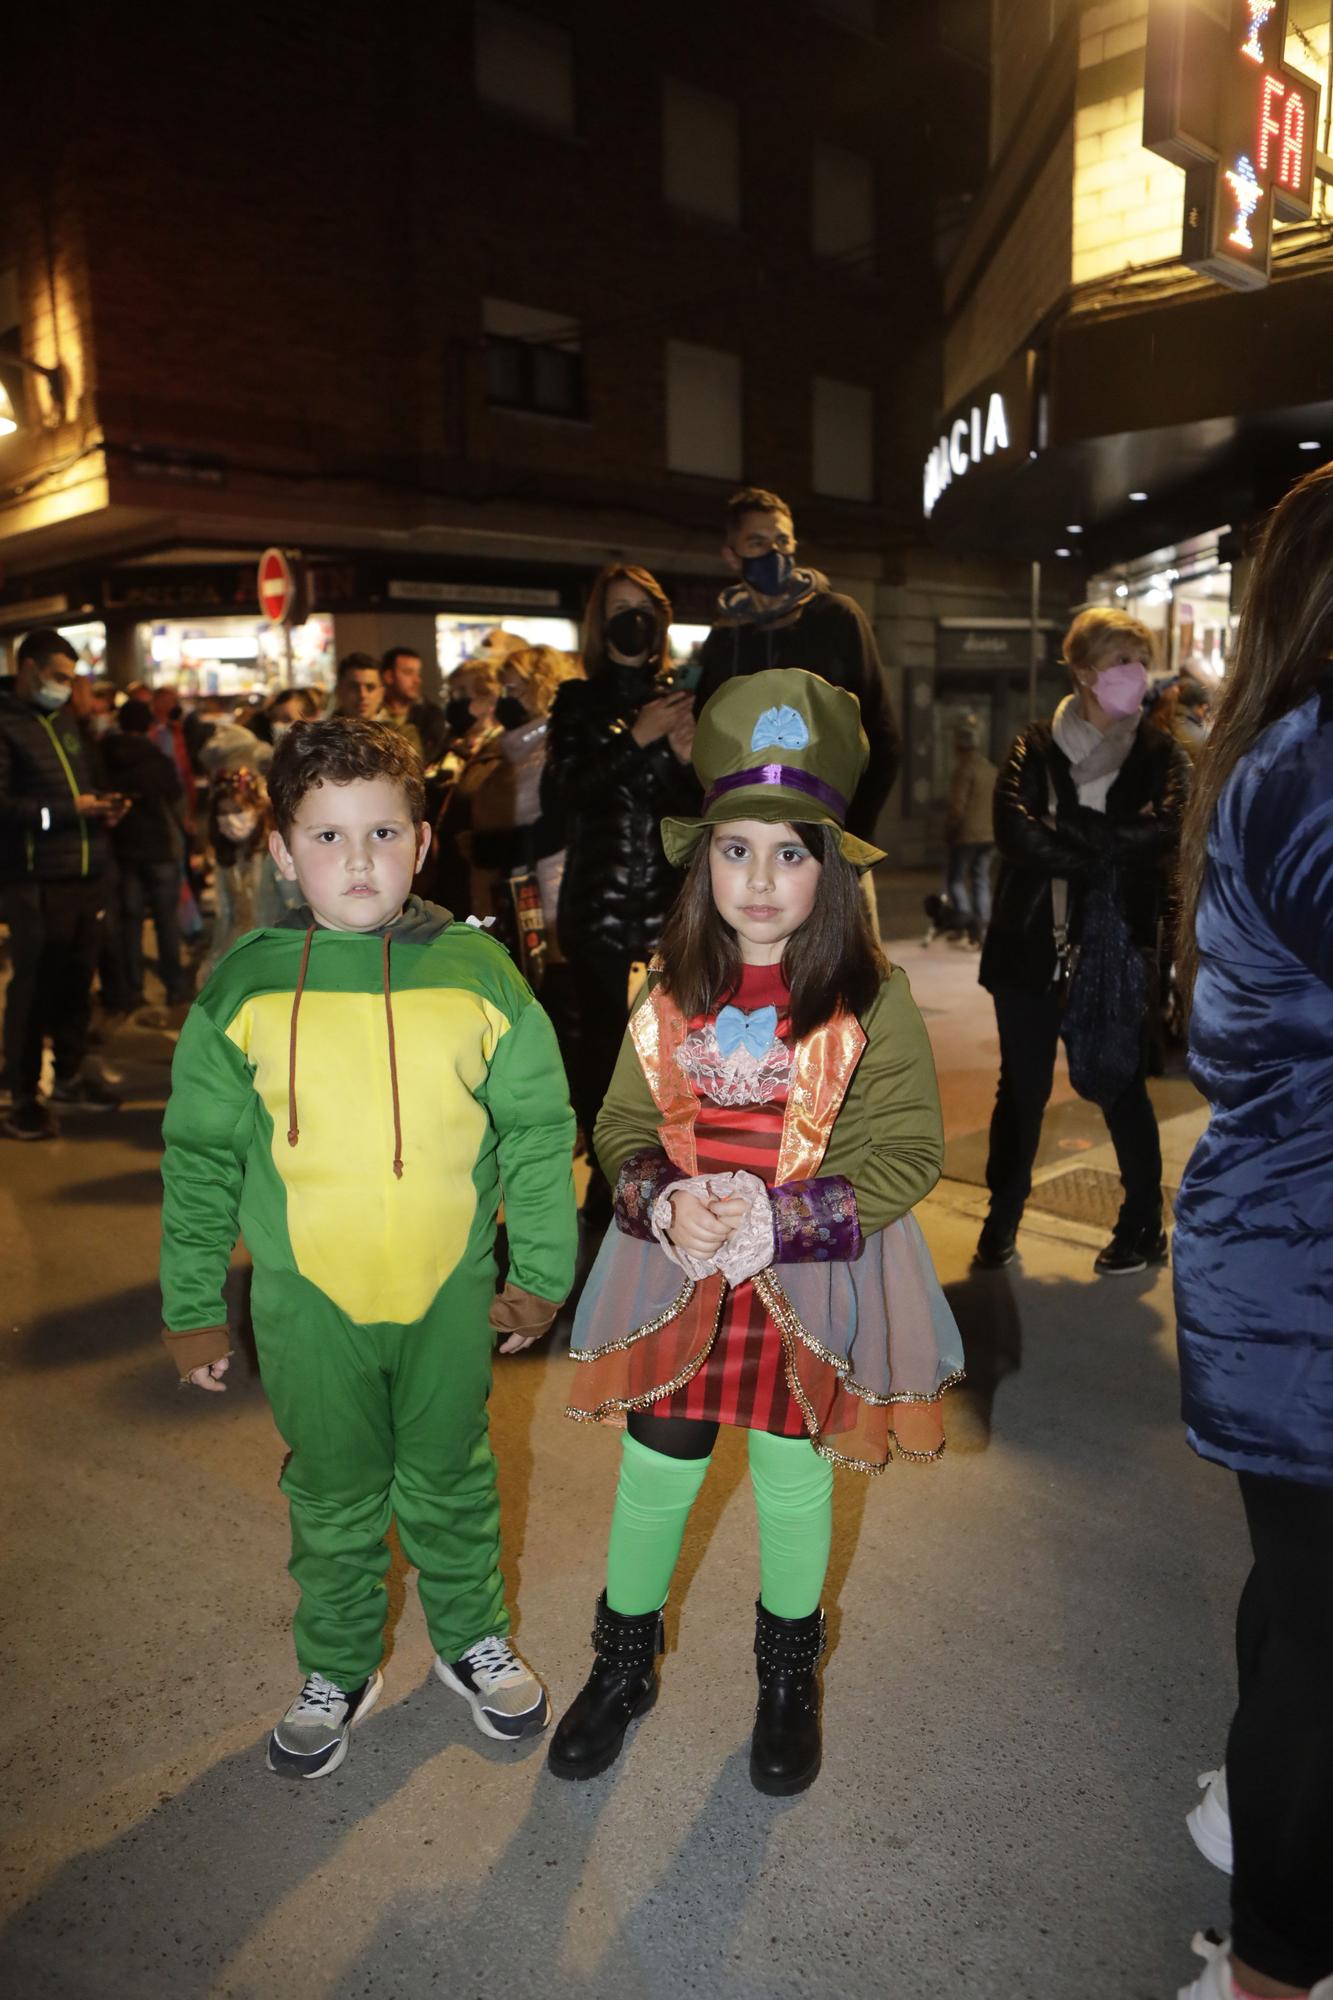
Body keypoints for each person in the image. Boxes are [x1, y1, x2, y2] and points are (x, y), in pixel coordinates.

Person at [550, 669, 961, 1794]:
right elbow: (623, 1119)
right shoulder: (664, 984)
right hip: (677, 1277)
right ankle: (621, 1665)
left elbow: (904, 1152)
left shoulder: (872, 997)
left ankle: (787, 1681)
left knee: (791, 1479)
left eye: (791, 851)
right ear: (702, 858)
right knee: (655, 1472)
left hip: (807, 1283)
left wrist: (783, 1221)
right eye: (736, 849)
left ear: (831, 867)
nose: (762, 877)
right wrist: (660, 1195)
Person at [158, 717, 578, 1779]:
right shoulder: (243, 988)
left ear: (423, 843)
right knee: (335, 1491)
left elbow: (536, 1132)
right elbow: (201, 1155)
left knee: (451, 1476)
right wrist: (193, 1304)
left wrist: (538, 1272)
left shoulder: (482, 973)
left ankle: (470, 1639)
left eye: (382, 830)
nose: (357, 860)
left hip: (448, 1292)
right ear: (283, 852)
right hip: (308, 1305)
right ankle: (339, 1664)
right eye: (328, 835)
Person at [1171, 462, 1333, 2000]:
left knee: (1304, 1607)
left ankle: (1248, 1819)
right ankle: (1272, 1971)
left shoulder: (1280, 754)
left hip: (1284, 1249)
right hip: (1307, 1264)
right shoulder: (1319, 766)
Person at [974, 608, 1190, 1275]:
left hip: (1115, 949)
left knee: (1121, 1084)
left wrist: (1062, 829)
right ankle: (1000, 1219)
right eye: (1120, 660)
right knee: (1022, 1090)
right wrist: (1108, 842)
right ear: (1082, 670)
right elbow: (1015, 833)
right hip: (1028, 945)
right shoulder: (1033, 745)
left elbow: (1165, 831)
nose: (1134, 675)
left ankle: (1140, 1226)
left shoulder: (1161, 754)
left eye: (1139, 660)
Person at [542, 565, 699, 1220]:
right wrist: (638, 738)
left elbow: (697, 820)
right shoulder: (577, 703)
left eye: (642, 607)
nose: (631, 620)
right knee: (605, 1063)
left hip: (668, 914)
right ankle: (606, 1193)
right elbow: (566, 794)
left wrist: (693, 765)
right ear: (598, 626)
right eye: (617, 608)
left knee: (667, 1068)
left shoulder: (686, 701)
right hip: (598, 914)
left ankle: (656, 1189)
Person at [694, 486, 901, 841]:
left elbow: (881, 739)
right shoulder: (723, 641)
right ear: (732, 556)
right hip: (745, 841)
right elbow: (706, 745)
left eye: (782, 540)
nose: (774, 552)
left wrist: (850, 840)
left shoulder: (837, 618)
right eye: (757, 542)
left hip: (828, 835)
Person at [0, 629, 123, 1139]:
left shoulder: (67, 721)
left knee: (76, 981)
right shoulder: (6, 724)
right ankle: (21, 1095)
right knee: (32, 988)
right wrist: (63, 812)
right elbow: (5, 808)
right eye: (58, 677)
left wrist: (104, 808)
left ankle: (69, 1074)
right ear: (27, 668)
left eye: (71, 680)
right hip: (34, 879)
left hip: (85, 872)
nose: (65, 688)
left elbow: (83, 787)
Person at [101, 697, 191, 1010]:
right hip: (160, 848)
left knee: (131, 922)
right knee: (167, 920)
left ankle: (134, 989)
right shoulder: (157, 760)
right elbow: (177, 801)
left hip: (124, 850)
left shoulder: (105, 757)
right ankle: (175, 988)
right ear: (149, 726)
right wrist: (189, 831)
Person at [197, 765, 302, 981]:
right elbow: (225, 915)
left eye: (238, 810)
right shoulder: (227, 860)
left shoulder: (276, 856)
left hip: (278, 949)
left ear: (258, 809)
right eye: (223, 813)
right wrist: (214, 959)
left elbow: (296, 908)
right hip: (240, 946)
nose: (230, 819)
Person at [944, 716, 997, 948]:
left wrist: (949, 830)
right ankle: (983, 925)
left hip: (966, 835)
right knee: (981, 880)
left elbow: (958, 807)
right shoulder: (990, 769)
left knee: (955, 880)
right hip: (989, 836)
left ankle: (965, 922)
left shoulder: (964, 770)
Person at [381, 645, 447, 765]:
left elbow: (431, 758)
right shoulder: (373, 713)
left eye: (418, 673)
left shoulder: (430, 715)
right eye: (408, 672)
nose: (417, 680)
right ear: (389, 676)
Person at [331, 652, 384, 721]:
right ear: (339, 691)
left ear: (381, 693)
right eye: (354, 687)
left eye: (370, 687)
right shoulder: (322, 731)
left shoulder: (394, 730)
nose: (363, 695)